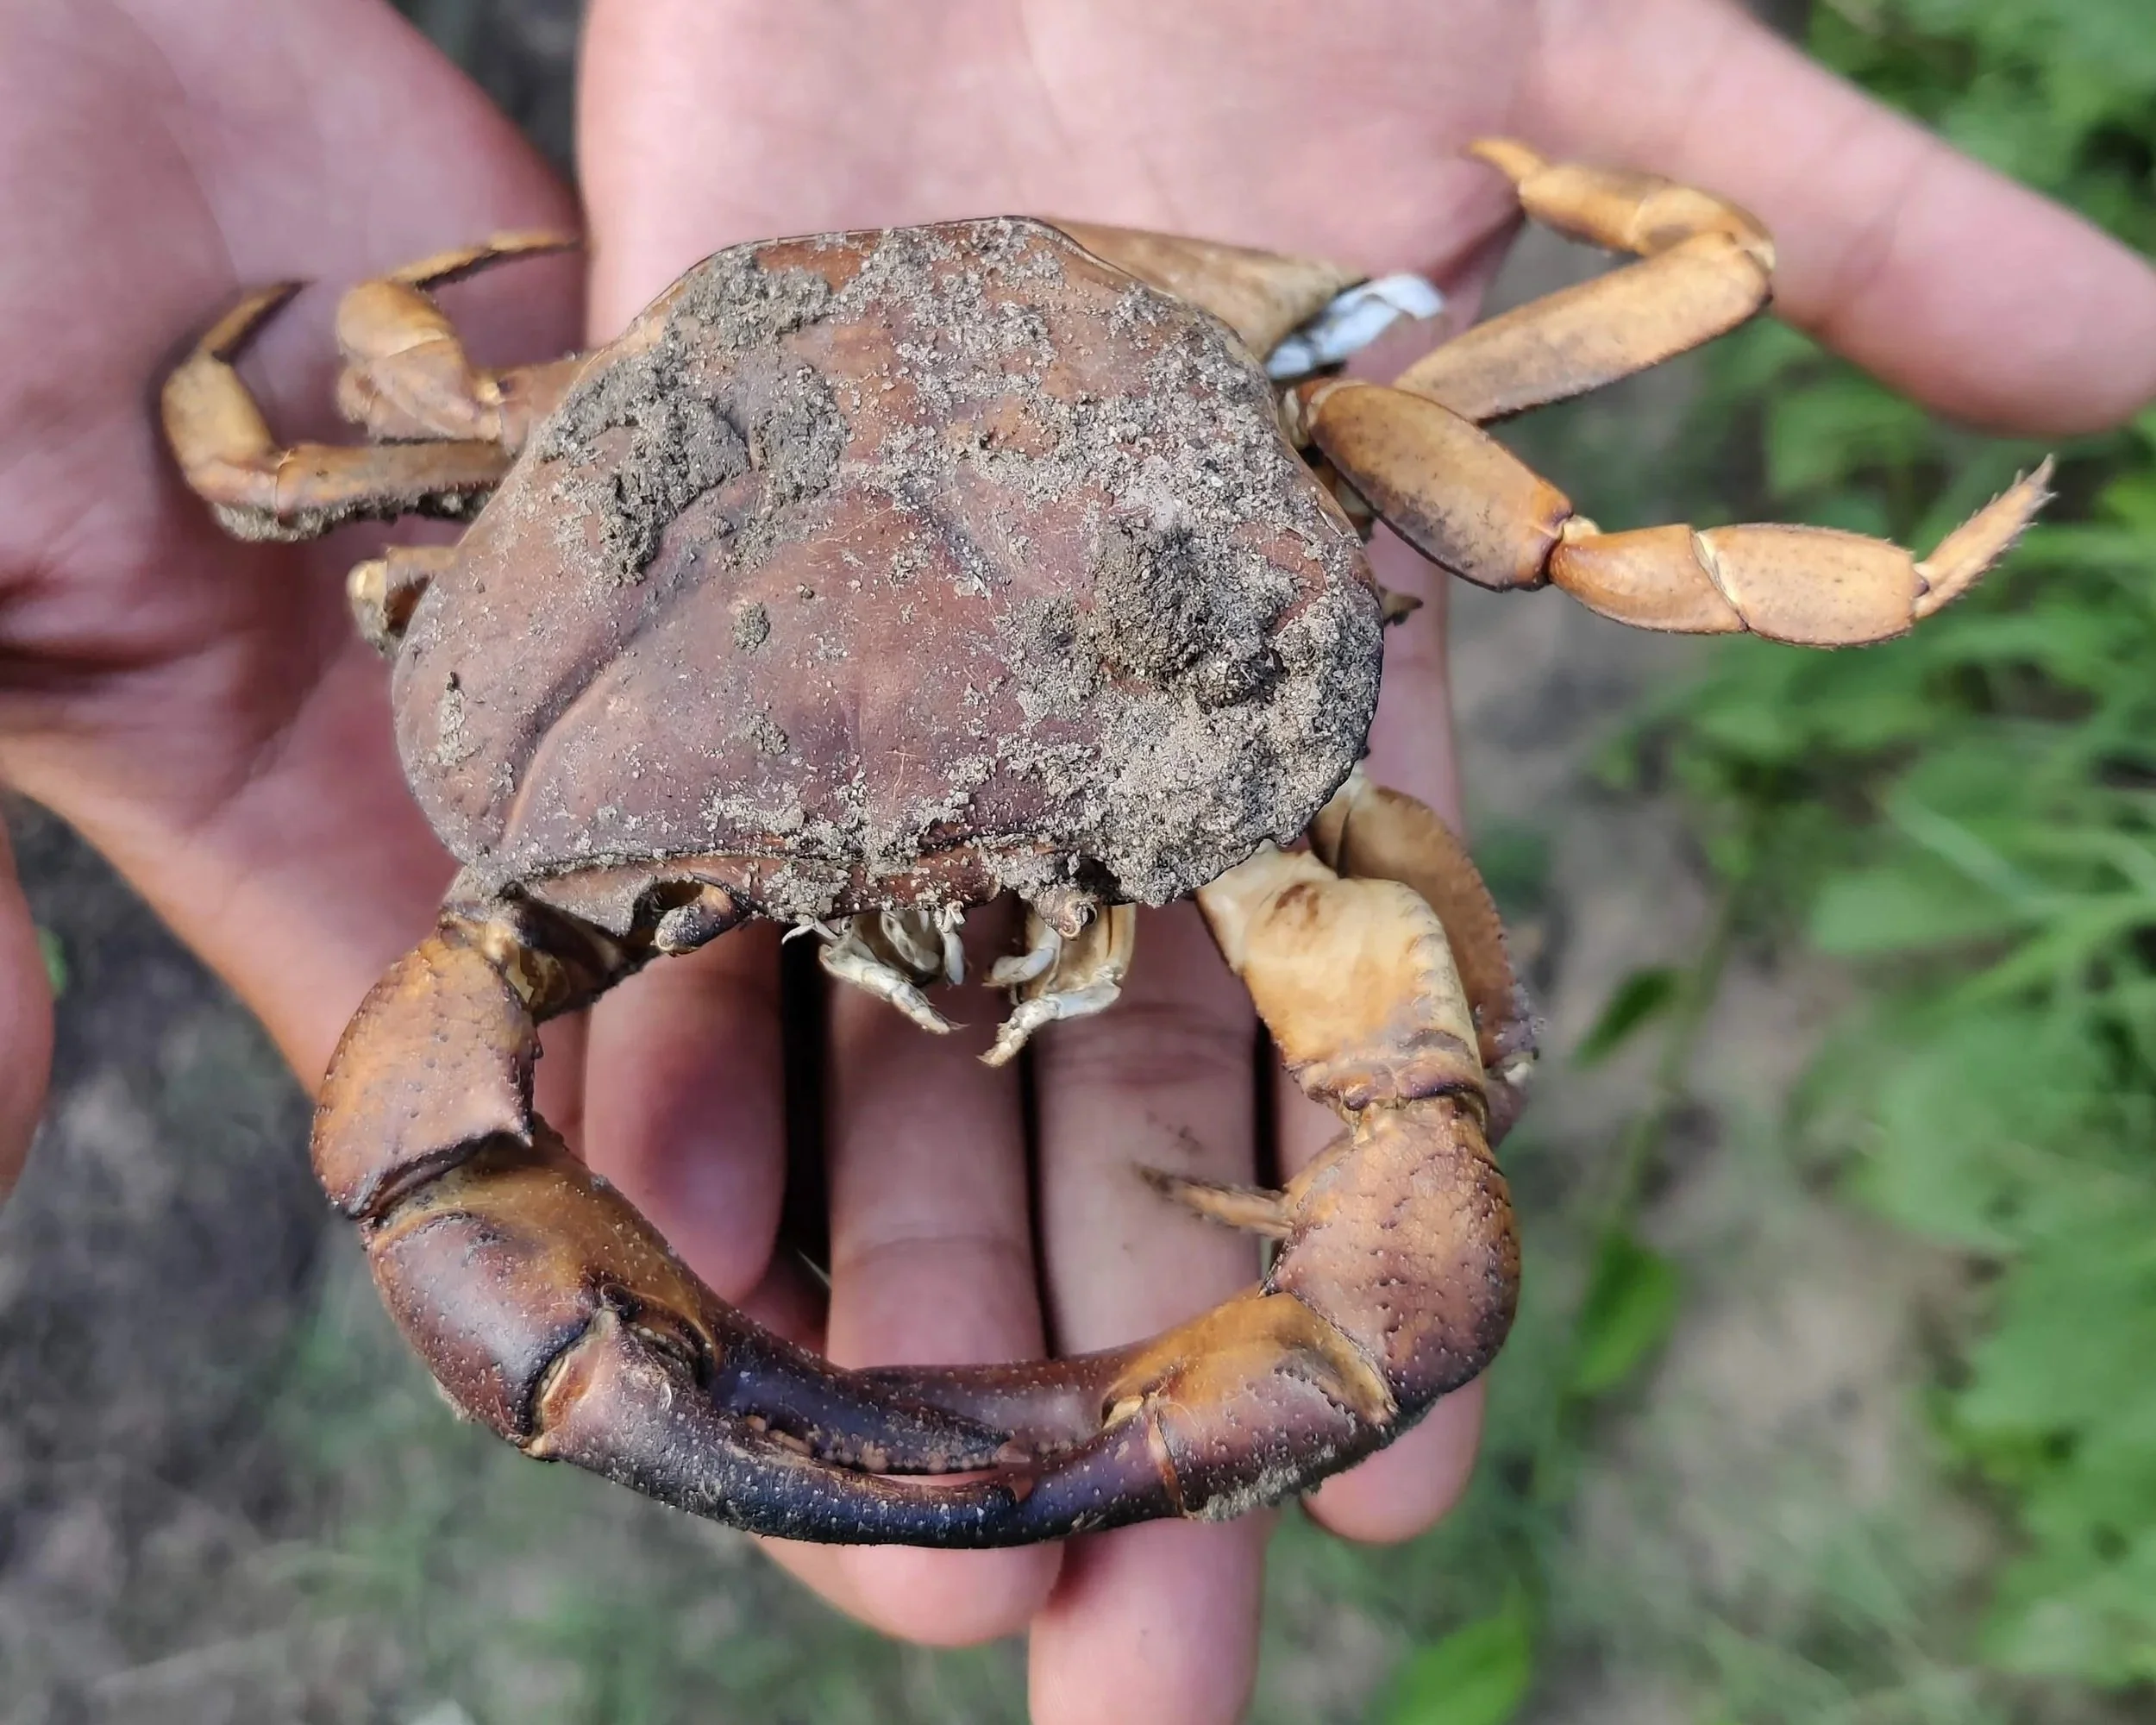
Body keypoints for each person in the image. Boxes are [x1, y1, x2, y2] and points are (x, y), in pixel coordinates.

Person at [1, 2, 2150, 1720]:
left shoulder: (1285, 443)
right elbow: (261, 466)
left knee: (1398, 949)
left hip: (1149, 382)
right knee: (1397, 973)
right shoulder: (595, 455)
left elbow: (276, 441)